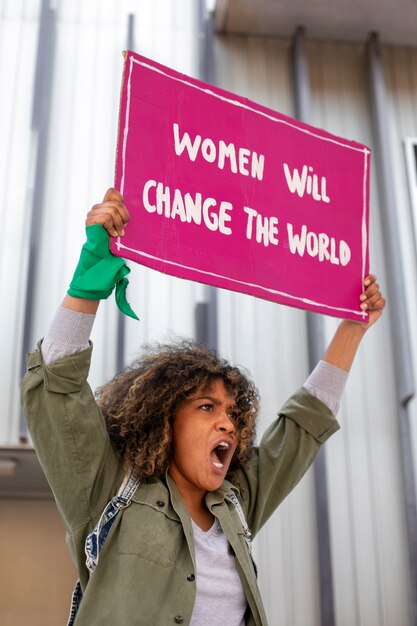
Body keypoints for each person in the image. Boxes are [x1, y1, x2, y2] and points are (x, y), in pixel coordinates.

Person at [21, 188, 386, 626]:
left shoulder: (237, 505)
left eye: (234, 413)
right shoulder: (108, 489)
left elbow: (300, 430)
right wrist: (89, 277)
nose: (228, 424)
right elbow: (57, 389)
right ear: (164, 421)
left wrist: (352, 329)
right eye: (208, 407)